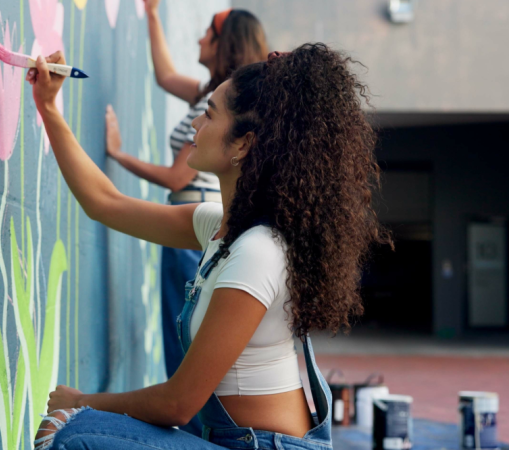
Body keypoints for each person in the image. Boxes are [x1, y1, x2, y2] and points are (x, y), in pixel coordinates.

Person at [27, 43, 389, 450]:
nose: (196, 123)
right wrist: (49, 108)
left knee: (70, 433)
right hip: (232, 441)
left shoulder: (258, 252)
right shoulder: (222, 227)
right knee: (69, 427)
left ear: (242, 145)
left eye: (210, 113)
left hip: (261, 447)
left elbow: (178, 403)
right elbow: (106, 204)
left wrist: (79, 401)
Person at [105, 4, 268, 434]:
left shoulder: (221, 106)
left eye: (206, 33)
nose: (198, 39)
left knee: (183, 363)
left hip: (194, 231)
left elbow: (179, 175)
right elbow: (163, 75)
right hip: (195, 225)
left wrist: (120, 156)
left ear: (223, 42)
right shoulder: (209, 95)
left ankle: (190, 440)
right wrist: (153, 15)